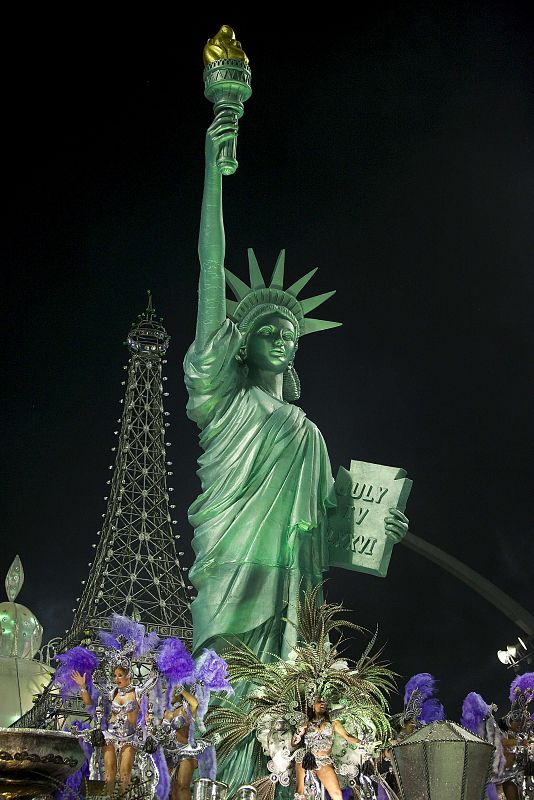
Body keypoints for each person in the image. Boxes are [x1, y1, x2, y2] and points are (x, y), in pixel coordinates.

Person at [185, 111, 409, 664]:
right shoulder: (226, 401)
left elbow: (328, 528)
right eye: (269, 332)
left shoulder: (308, 435)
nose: (283, 341)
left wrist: (379, 526)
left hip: (293, 583)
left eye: (290, 335)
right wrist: (213, 177)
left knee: (283, 706)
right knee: (227, 699)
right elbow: (210, 266)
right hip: (230, 568)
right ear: (242, 343)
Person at [71, 663, 157, 796]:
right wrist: (82, 687)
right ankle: (108, 798)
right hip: (110, 736)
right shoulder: (112, 693)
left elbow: (152, 681)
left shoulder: (137, 693)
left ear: (129, 675)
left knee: (124, 773)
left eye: (120, 675)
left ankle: (122, 798)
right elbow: (89, 703)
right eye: (115, 676)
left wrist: (155, 666)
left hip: (129, 737)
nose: (117, 679)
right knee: (109, 772)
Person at [291, 698, 361, 800]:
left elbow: (347, 736)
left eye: (324, 701)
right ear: (312, 705)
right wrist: (298, 732)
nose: (322, 703)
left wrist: (363, 743)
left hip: (324, 761)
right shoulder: (306, 722)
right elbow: (293, 744)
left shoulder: (333, 722)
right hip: (306, 758)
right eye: (319, 701)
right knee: (300, 793)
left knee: (337, 795)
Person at [162, 686, 199, 800]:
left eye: (172, 692)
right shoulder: (166, 712)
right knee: (172, 788)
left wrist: (181, 689)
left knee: (182, 786)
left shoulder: (187, 709)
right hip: (168, 752)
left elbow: (195, 703)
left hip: (185, 751)